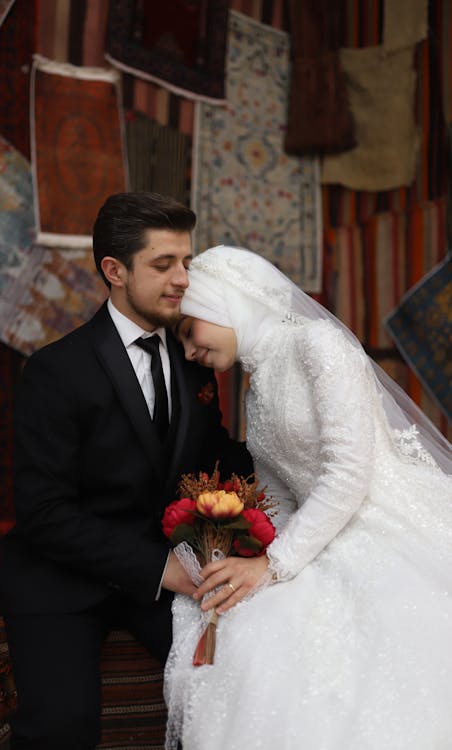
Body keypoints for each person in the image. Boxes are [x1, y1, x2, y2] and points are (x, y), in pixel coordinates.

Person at [164, 244, 452, 750]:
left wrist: (273, 564)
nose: (188, 351)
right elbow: (278, 494)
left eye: (190, 330)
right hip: (318, 536)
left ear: (223, 303)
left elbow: (348, 472)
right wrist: (245, 553)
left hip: (382, 520)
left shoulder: (317, 344)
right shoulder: (255, 388)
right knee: (248, 621)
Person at [0, 196, 252, 750]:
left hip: (158, 575)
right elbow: (44, 515)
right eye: (163, 265)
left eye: (187, 262)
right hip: (61, 577)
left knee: (230, 687)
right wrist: (164, 568)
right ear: (114, 271)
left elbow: (215, 460)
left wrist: (296, 468)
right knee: (62, 727)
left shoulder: (193, 357)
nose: (183, 279)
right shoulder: (54, 371)